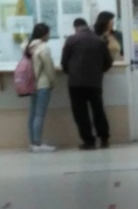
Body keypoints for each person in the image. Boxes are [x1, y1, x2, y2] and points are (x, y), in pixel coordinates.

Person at [61, 17, 114, 150]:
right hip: (95, 82)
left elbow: (64, 62)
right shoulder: (99, 40)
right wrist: (99, 71)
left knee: (80, 113)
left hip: (76, 83)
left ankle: (89, 141)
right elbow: (108, 62)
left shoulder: (71, 40)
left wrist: (71, 72)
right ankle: (104, 139)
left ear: (76, 27)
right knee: (98, 110)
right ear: (87, 26)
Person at [25, 23, 57, 153]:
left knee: (33, 114)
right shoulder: (43, 48)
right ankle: (38, 144)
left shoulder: (27, 46)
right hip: (43, 84)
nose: (49, 35)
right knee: (39, 115)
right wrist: (53, 82)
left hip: (31, 84)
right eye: (48, 33)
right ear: (44, 34)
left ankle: (33, 142)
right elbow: (49, 68)